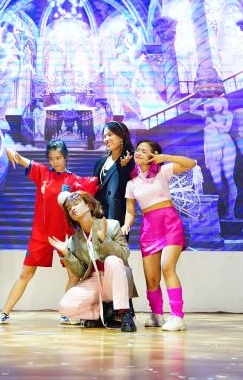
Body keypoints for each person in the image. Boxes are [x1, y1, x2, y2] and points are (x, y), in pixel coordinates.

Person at [0, 140, 98, 326]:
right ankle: (4, 314)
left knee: (73, 276)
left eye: (58, 158)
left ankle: (66, 313)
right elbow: (20, 159)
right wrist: (9, 150)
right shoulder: (42, 173)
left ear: (66, 157)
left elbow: (96, 185)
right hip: (40, 234)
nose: (55, 162)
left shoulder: (75, 181)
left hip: (65, 237)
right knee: (25, 274)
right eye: (51, 158)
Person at [122, 140, 196, 331]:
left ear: (153, 155)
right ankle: (156, 315)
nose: (138, 152)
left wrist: (165, 158)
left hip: (169, 223)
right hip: (149, 229)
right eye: (137, 150)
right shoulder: (131, 183)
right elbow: (130, 210)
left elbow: (191, 164)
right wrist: (127, 224)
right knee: (151, 278)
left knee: (167, 267)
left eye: (143, 150)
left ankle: (177, 317)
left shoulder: (163, 171)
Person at [50, 191, 137, 332]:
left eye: (76, 203)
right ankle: (100, 314)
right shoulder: (74, 240)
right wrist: (66, 253)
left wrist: (104, 239)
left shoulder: (111, 225)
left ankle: (124, 313)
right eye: (69, 208)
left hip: (113, 277)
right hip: (94, 281)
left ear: (89, 205)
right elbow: (80, 272)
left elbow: (124, 254)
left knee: (113, 261)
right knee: (64, 306)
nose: (72, 209)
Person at [93, 121, 134, 224]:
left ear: (122, 136)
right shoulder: (100, 162)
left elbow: (127, 189)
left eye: (110, 135)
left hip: (117, 217)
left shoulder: (130, 160)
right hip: (99, 217)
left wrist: (123, 168)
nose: (106, 139)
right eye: (104, 136)